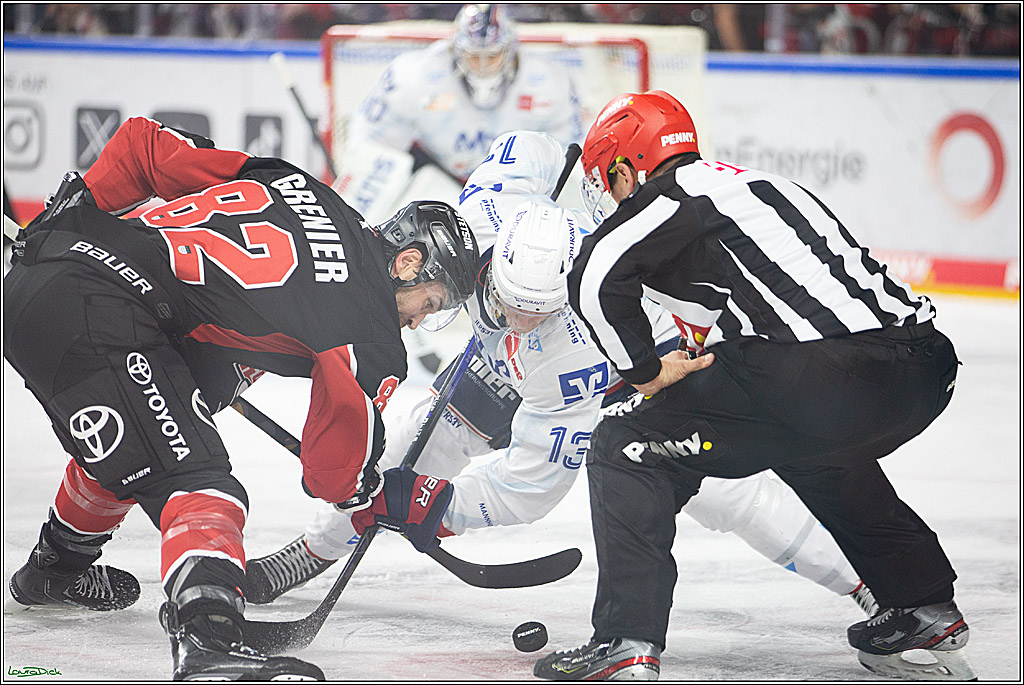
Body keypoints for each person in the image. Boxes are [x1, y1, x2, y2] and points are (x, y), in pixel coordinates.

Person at [244, 131, 877, 624]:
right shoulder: (486, 207)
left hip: (633, 365)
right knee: (411, 431)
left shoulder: (569, 347)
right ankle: (314, 550)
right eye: (508, 301)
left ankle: (864, 582)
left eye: (533, 312)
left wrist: (441, 508)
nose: (518, 319)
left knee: (725, 494)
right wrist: (580, 177)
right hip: (509, 365)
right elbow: (534, 149)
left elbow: (533, 483)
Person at [3, 116, 478, 681]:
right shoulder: (371, 328)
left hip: (57, 270)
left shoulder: (297, 183)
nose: (423, 320)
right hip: (105, 311)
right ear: (408, 262)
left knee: (148, 436)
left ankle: (56, 568)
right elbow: (330, 469)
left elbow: (142, 144)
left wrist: (82, 204)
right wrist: (365, 490)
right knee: (199, 483)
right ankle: (209, 640)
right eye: (430, 301)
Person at [533, 91, 973, 681]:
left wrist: (643, 373)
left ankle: (624, 640)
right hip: (923, 369)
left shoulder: (675, 194)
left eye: (607, 182)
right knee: (813, 448)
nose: (608, 198)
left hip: (827, 374)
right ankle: (922, 602)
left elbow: (592, 274)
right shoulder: (764, 187)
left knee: (623, 437)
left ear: (625, 167)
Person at [336, 3, 584, 375]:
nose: (483, 66)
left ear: (512, 49)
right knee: (378, 203)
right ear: (455, 50)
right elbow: (371, 149)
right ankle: (396, 300)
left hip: (518, 195)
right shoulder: (415, 75)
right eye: (474, 56)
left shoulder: (549, 81)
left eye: (492, 56)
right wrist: (355, 223)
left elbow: (570, 164)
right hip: (445, 189)